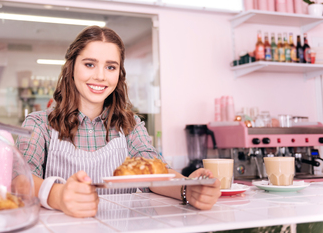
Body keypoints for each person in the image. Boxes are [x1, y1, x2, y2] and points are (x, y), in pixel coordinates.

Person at [15, 26, 220, 218]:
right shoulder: (39, 124)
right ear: (71, 68)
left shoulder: (130, 125)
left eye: (111, 67)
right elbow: (18, 181)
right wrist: (58, 196)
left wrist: (188, 188)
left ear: (119, 74)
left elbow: (156, 174)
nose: (100, 76)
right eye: (89, 64)